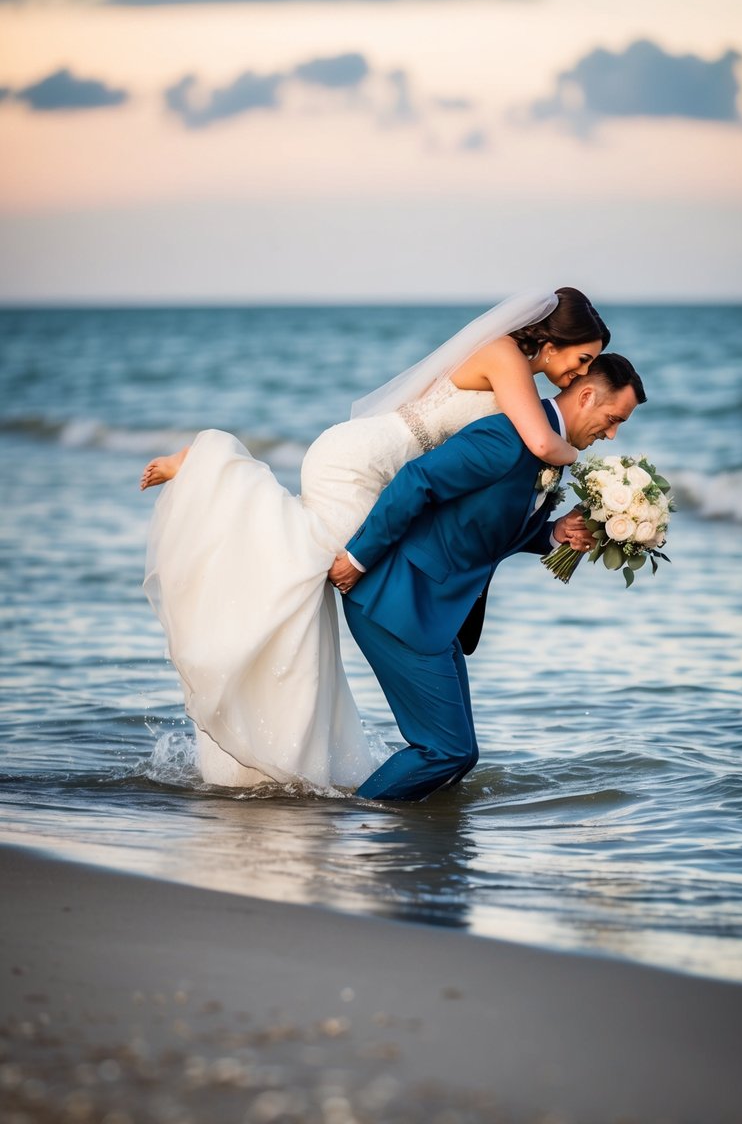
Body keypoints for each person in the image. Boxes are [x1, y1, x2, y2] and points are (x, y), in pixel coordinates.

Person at [140, 289, 609, 791]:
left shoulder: (518, 372)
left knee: (308, 571)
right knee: (317, 561)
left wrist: (553, 526)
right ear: (555, 339)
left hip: (380, 469)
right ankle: (210, 464)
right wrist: (606, 484)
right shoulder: (506, 356)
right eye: (583, 360)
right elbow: (541, 444)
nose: (582, 375)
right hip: (363, 464)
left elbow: (501, 481)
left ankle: (300, 754)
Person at [329, 354, 646, 802]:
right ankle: (350, 821)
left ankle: (425, 854)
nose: (612, 433)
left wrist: (554, 532)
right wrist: (358, 558)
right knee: (444, 750)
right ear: (588, 395)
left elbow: (489, 530)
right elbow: (417, 480)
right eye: (613, 419)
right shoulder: (506, 436)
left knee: (462, 755)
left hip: (436, 611)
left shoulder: (547, 452)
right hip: (396, 598)